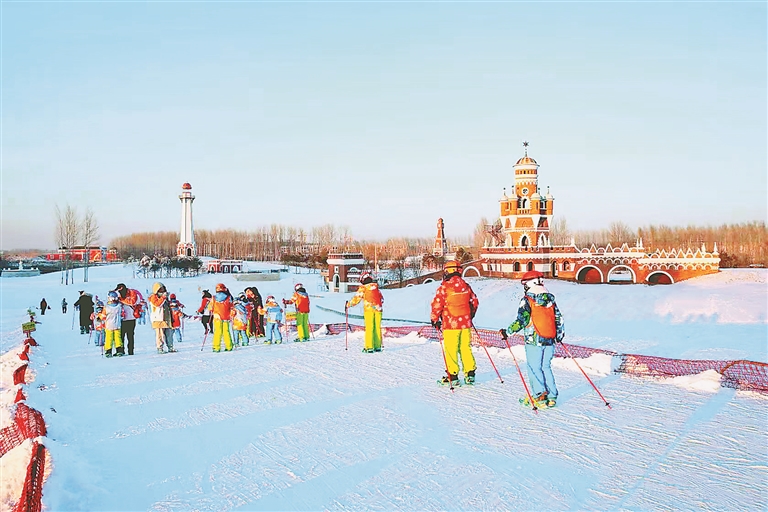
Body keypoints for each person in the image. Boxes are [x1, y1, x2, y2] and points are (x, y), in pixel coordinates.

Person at [504, 270, 564, 408]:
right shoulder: (550, 300)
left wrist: (508, 332)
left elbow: (522, 320)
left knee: (534, 367)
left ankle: (539, 395)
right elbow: (559, 319)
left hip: (534, 339)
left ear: (529, 284)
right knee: (546, 367)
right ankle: (552, 395)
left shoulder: (528, 299)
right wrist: (559, 336)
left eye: (525, 284)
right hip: (549, 339)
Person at [430, 261, 479, 386]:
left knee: (451, 349)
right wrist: (470, 315)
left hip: (450, 324)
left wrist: (434, 319)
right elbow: (474, 301)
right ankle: (470, 373)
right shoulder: (466, 286)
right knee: (465, 347)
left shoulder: (444, 287)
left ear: (448, 271)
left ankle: (453, 375)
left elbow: (437, 304)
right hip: (465, 324)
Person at [346, 272, 384, 353]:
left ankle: (369, 347)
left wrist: (348, 305)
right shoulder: (376, 287)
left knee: (369, 328)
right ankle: (377, 346)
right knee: (377, 327)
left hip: (369, 309)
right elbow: (382, 299)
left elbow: (356, 299)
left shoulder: (363, 288)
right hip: (378, 309)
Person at [115, 283, 144, 356]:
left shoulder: (132, 293)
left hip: (131, 318)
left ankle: (130, 351)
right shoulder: (118, 295)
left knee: (130, 336)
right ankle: (120, 351)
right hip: (121, 319)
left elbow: (132, 302)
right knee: (120, 336)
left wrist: (121, 300)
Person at [148, 282, 176, 354]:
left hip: (167, 318)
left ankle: (170, 346)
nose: (162, 290)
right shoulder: (153, 297)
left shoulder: (165, 298)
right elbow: (157, 304)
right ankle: (160, 347)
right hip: (158, 319)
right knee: (160, 335)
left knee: (169, 334)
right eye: (160, 289)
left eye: (163, 289)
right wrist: (163, 297)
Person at [210, 283, 234, 352]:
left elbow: (210, 307)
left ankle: (216, 347)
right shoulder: (229, 297)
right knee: (226, 331)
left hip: (217, 317)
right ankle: (229, 346)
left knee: (217, 332)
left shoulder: (214, 298)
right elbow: (232, 306)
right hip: (226, 317)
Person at [103, 291, 126, 358]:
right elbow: (122, 315)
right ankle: (119, 350)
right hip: (117, 325)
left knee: (109, 339)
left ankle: (108, 351)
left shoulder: (106, 307)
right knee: (117, 338)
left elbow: (103, 316)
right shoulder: (119, 306)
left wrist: (99, 317)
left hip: (109, 325)